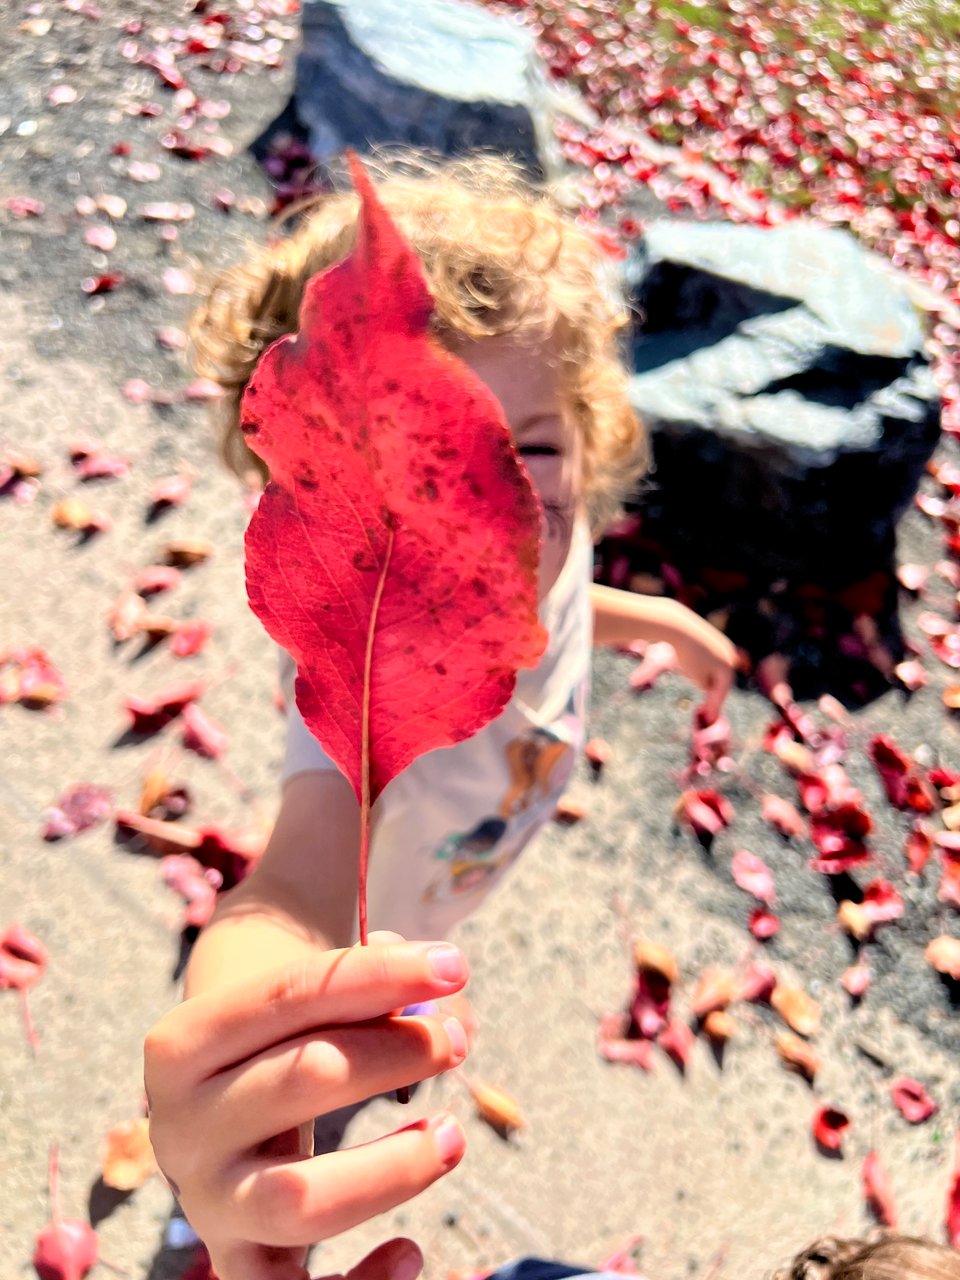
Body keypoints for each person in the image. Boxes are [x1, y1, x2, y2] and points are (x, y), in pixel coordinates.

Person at [145, 153, 738, 1280]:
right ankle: (201, 1201)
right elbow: (297, 880)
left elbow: (567, 600)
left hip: (444, 896)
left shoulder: (551, 544)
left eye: (534, 457)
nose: (496, 518)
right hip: (350, 932)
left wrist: (660, 620)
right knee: (310, 1092)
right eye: (427, 477)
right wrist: (233, 1059)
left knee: (391, 1040)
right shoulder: (354, 692)